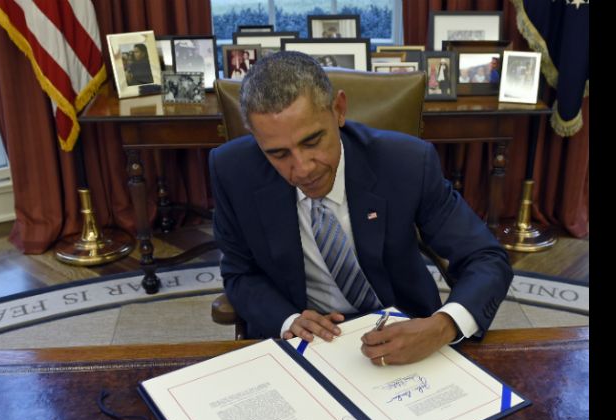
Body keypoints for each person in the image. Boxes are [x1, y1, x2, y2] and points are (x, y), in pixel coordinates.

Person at [208, 51, 512, 365]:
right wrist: (286, 319)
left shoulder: (406, 162)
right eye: (278, 154)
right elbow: (240, 273)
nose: (301, 169)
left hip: (403, 332)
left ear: (338, 110)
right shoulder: (232, 171)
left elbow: (486, 257)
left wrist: (442, 326)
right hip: (303, 342)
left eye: (312, 141)